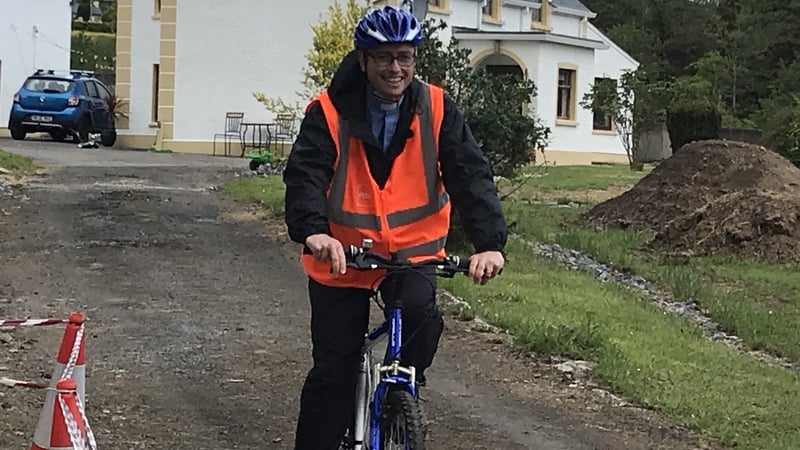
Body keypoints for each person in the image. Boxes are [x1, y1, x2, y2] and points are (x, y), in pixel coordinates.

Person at [282, 5, 508, 449]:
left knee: (423, 321)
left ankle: (402, 398)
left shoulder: (437, 108)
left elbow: (470, 175)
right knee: (333, 373)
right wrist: (314, 232)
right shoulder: (328, 112)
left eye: (405, 56)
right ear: (362, 59)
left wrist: (490, 244)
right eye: (384, 57)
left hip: (412, 253)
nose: (396, 68)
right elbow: (306, 175)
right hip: (342, 257)